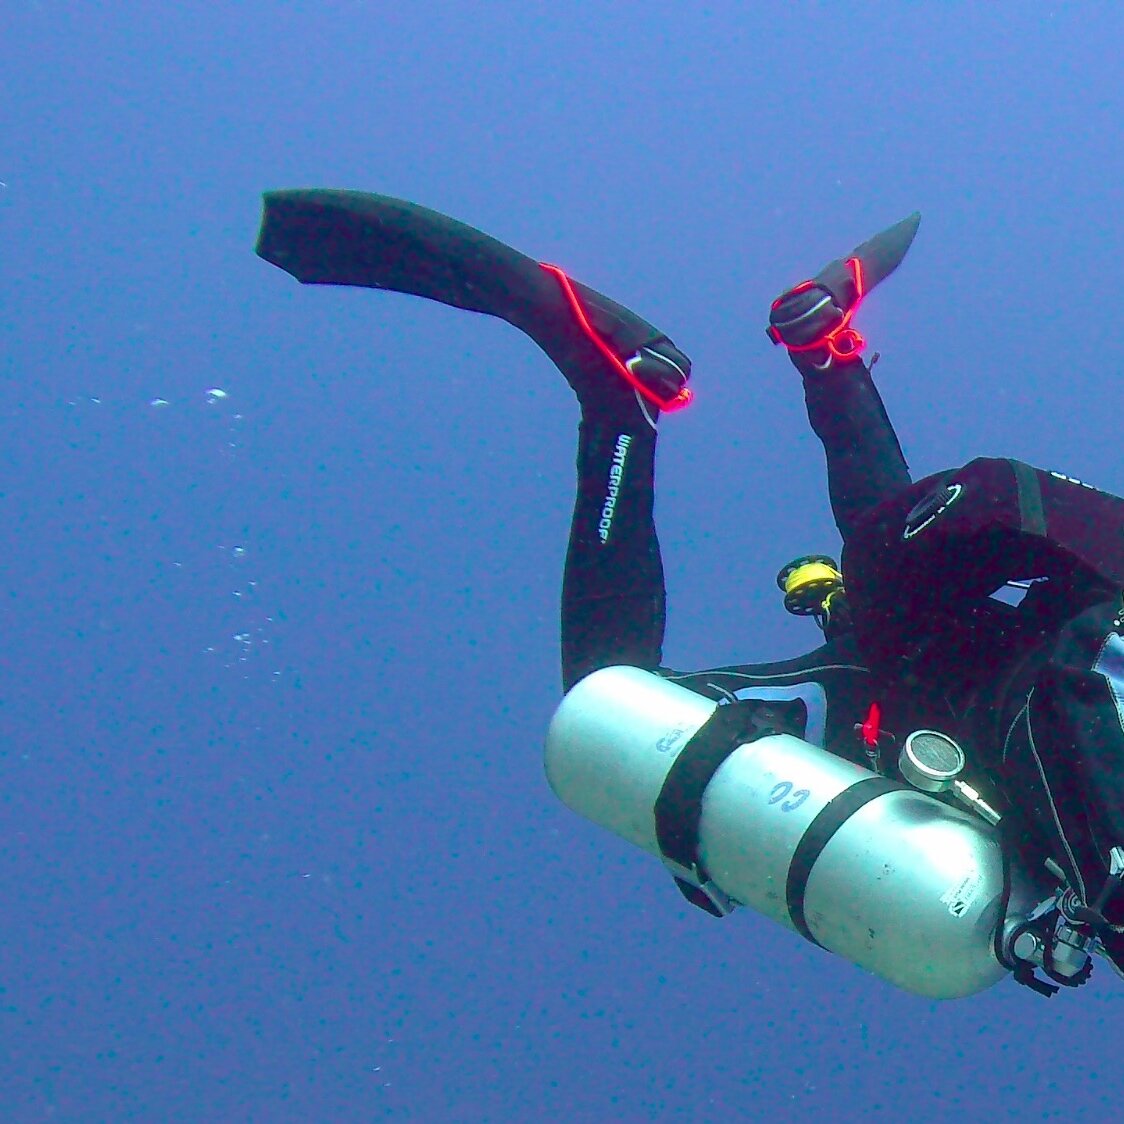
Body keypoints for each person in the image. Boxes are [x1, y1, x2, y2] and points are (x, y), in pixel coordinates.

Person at [255, 191, 1124, 991]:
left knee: (607, 707)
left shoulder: (874, 661)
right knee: (943, 529)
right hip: (982, 695)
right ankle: (792, 355)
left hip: (934, 736)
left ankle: (633, 396)